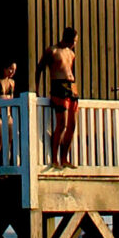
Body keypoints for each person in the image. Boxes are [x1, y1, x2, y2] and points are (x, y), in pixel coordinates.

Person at [43, 29, 79, 167]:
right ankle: (54, 159)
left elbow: (70, 72)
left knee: (72, 125)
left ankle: (64, 158)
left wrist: (74, 91)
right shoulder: (52, 51)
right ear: (68, 39)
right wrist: (38, 88)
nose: (75, 44)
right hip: (58, 86)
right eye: (74, 41)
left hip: (71, 87)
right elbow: (40, 68)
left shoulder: (71, 53)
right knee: (61, 124)